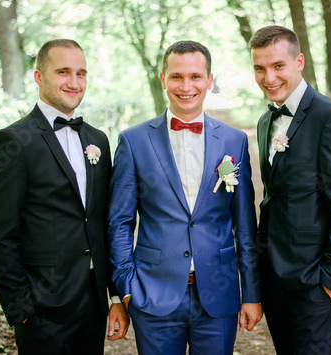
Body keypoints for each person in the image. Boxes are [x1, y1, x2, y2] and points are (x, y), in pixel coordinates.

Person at [108, 40, 263, 354]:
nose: (186, 85)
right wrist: (125, 290)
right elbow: (119, 222)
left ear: (209, 80)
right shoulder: (134, 141)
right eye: (177, 76)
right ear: (164, 80)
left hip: (218, 294)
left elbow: (244, 226)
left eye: (195, 76)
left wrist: (251, 293)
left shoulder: (234, 141)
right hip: (153, 295)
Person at [0, 39, 129, 355]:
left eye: (81, 73)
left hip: (93, 306)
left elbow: (104, 221)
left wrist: (114, 297)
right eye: (63, 72)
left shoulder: (97, 139)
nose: (74, 83)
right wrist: (21, 310)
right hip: (42, 310)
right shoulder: (11, 143)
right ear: (39, 77)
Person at [249, 25, 331, 354]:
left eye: (278, 66)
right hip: (276, 279)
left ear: (299, 61)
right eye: (259, 68)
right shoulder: (264, 122)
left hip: (315, 284)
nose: (268, 78)